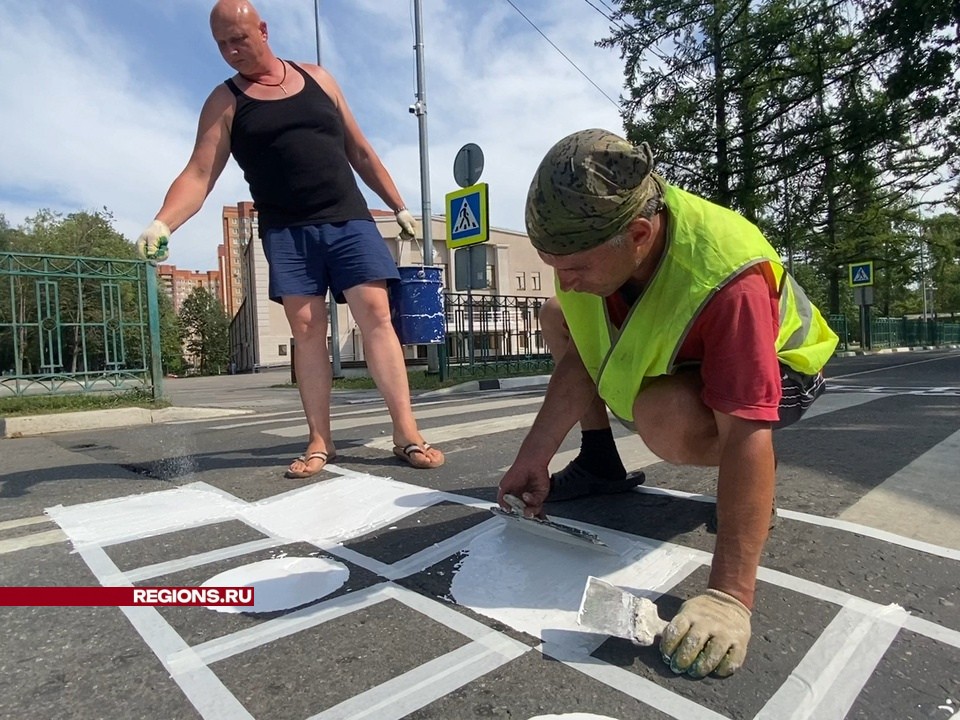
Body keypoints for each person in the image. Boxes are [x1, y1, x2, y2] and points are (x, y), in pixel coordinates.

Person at [498, 129, 838, 679]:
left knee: (666, 416)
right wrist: (532, 456)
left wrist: (730, 595)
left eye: (575, 268)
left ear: (637, 234)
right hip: (689, 360)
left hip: (784, 371)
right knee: (556, 313)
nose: (566, 280)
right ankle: (601, 462)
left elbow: (747, 430)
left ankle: (753, 498)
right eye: (554, 264)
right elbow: (584, 357)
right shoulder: (597, 252)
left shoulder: (729, 275)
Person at [137, 0, 443, 477]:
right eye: (221, 44)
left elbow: (360, 151)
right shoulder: (225, 102)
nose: (231, 50)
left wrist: (399, 204)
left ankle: (407, 433)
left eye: (239, 38)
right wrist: (162, 223)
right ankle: (321, 440)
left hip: (348, 219)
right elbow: (199, 175)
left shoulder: (319, 78)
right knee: (305, 329)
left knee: (377, 315)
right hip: (287, 230)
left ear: (262, 29)